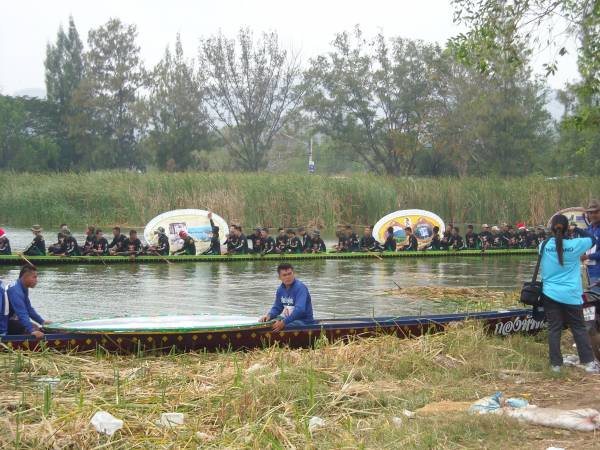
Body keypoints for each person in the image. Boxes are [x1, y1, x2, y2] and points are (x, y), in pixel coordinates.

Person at [540, 214, 599, 373]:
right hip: (571, 295)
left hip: (550, 293)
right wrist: (577, 229)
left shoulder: (543, 245)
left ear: (552, 228)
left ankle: (556, 365)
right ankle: (588, 363)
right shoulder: (576, 245)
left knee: (554, 329)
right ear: (567, 228)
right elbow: (594, 239)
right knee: (579, 327)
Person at [258, 263, 314, 332]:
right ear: (279, 277)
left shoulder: (300, 288)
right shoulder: (280, 290)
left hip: (304, 322)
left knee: (276, 327)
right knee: (267, 323)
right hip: (290, 320)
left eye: (290, 274)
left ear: (293, 274)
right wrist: (269, 315)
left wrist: (284, 322)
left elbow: (300, 310)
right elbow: (277, 307)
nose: (288, 277)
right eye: (284, 275)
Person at [6, 265, 49, 338]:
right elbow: (21, 312)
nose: (36, 280)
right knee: (31, 328)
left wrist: (42, 321)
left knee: (35, 326)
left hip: (9, 319)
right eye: (34, 277)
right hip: (3, 322)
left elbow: (28, 308)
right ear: (25, 277)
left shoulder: (22, 288)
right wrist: (31, 330)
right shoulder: (15, 291)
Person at [583, 200, 600, 284]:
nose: (593, 215)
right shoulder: (587, 230)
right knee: (589, 296)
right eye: (591, 212)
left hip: (598, 272)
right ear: (588, 214)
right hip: (587, 271)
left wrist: (587, 257)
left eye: (596, 212)